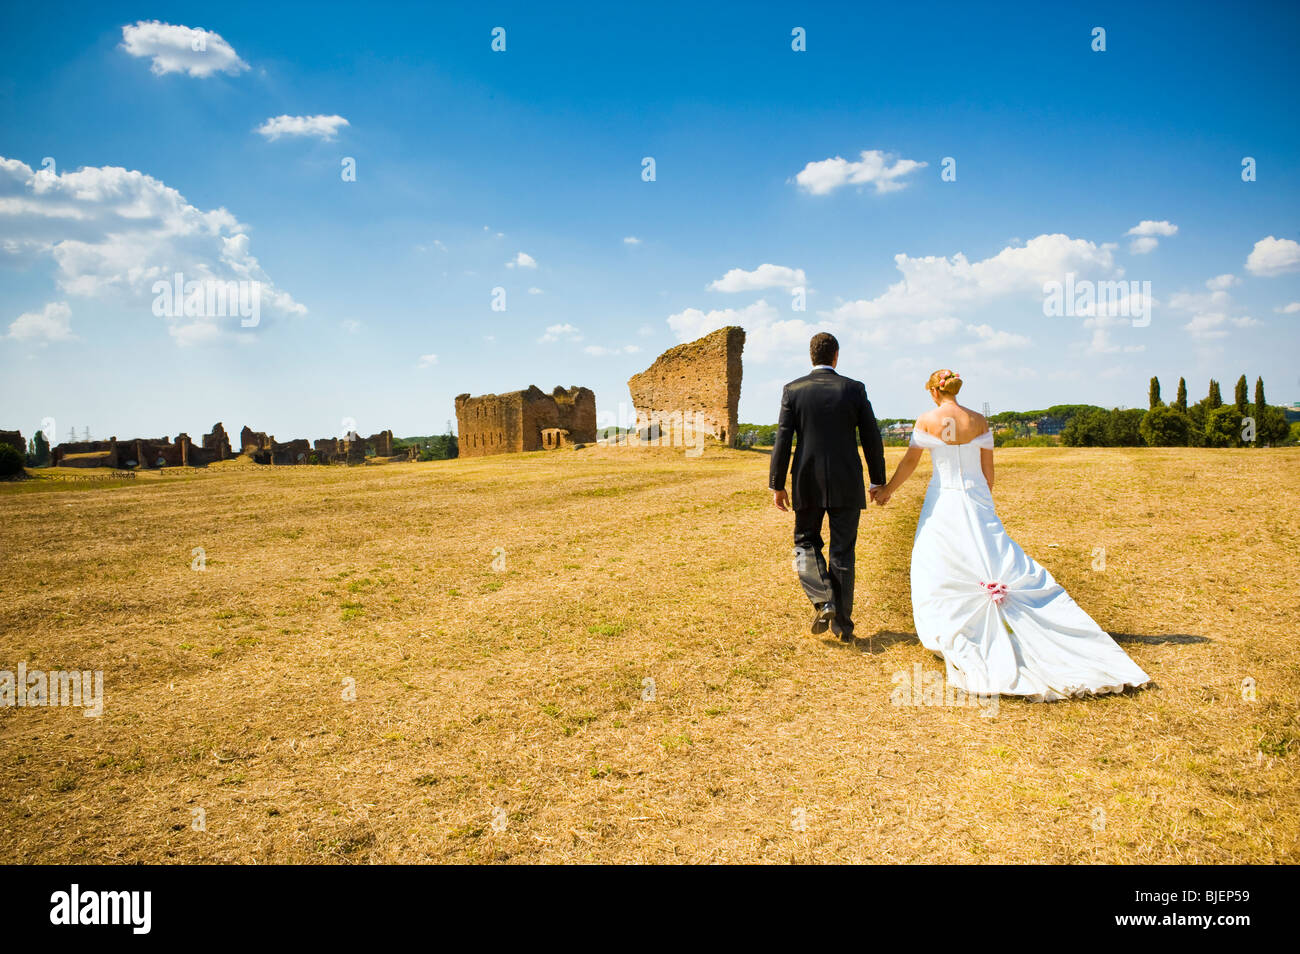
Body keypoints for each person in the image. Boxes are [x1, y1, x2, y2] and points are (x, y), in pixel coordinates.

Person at [873, 369, 1150, 700]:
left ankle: (955, 621)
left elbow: (909, 463)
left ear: (934, 391)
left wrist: (888, 490)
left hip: (943, 496)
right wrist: (982, 501)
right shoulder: (978, 421)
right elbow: (989, 473)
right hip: (975, 496)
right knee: (990, 553)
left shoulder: (927, 419)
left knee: (939, 558)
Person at [770, 332, 886, 641]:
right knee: (843, 552)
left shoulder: (793, 390)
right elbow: (872, 437)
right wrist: (877, 480)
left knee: (804, 543)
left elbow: (783, 440)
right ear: (836, 356)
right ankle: (843, 627)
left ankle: (823, 601)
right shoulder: (854, 389)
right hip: (847, 479)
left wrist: (777, 484)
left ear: (811, 357)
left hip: (806, 480)